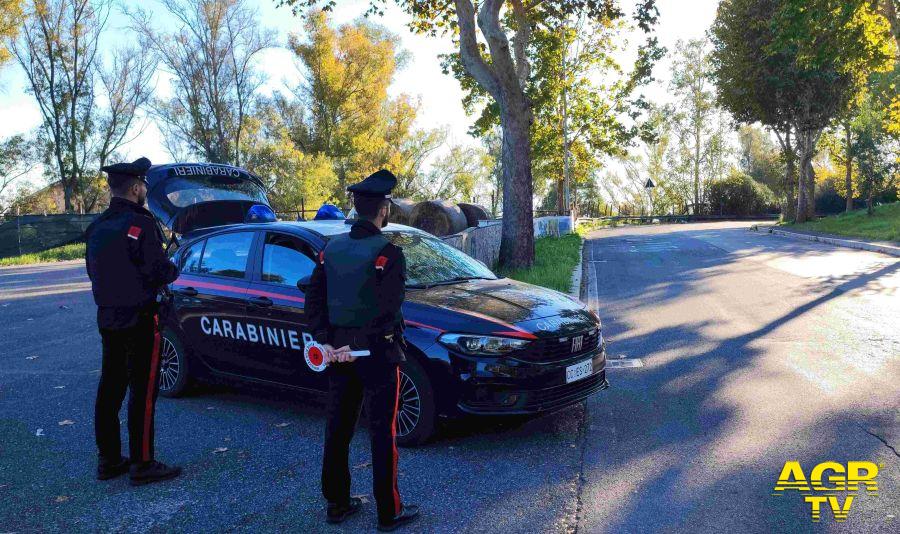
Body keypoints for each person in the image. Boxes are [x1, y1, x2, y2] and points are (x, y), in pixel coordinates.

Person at [305, 169, 419, 531]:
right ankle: (390, 511)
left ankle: (336, 505)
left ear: (355, 208)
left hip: (338, 355)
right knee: (382, 433)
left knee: (338, 428)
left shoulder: (330, 249)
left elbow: (314, 299)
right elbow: (389, 309)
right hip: (379, 357)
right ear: (383, 208)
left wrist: (326, 340)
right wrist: (360, 344)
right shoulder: (389, 253)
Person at [84, 157, 182, 486]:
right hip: (141, 318)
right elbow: (158, 270)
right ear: (137, 187)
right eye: (144, 187)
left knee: (110, 389)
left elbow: (93, 272)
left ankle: (109, 459)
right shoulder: (141, 224)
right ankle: (143, 463)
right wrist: (174, 267)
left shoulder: (97, 227)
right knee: (143, 392)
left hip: (108, 317)